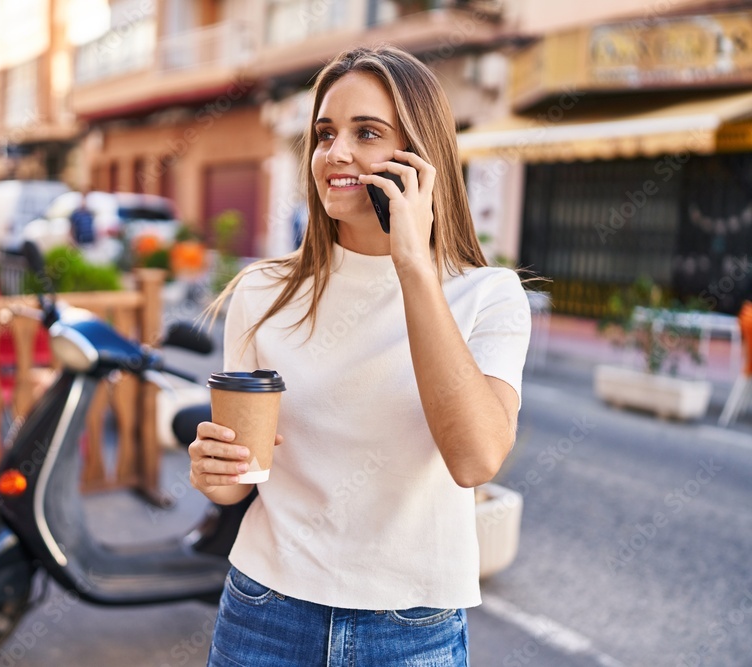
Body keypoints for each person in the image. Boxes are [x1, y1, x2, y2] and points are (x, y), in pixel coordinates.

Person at [188, 45, 532, 666]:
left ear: (420, 157)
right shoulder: (263, 291)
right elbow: (239, 483)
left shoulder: (490, 295)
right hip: (263, 612)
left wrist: (412, 266)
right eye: (324, 134)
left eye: (367, 133)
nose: (335, 153)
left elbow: (476, 457)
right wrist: (216, 473)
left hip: (411, 629)